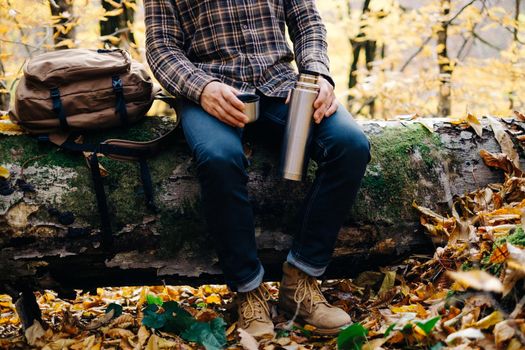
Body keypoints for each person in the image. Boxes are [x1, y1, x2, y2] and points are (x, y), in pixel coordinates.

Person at [144, 0, 371, 338]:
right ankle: (248, 291)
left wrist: (317, 73)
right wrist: (202, 89)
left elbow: (307, 21)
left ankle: (301, 279)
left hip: (282, 85)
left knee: (350, 145)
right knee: (218, 159)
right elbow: (161, 47)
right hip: (211, 93)